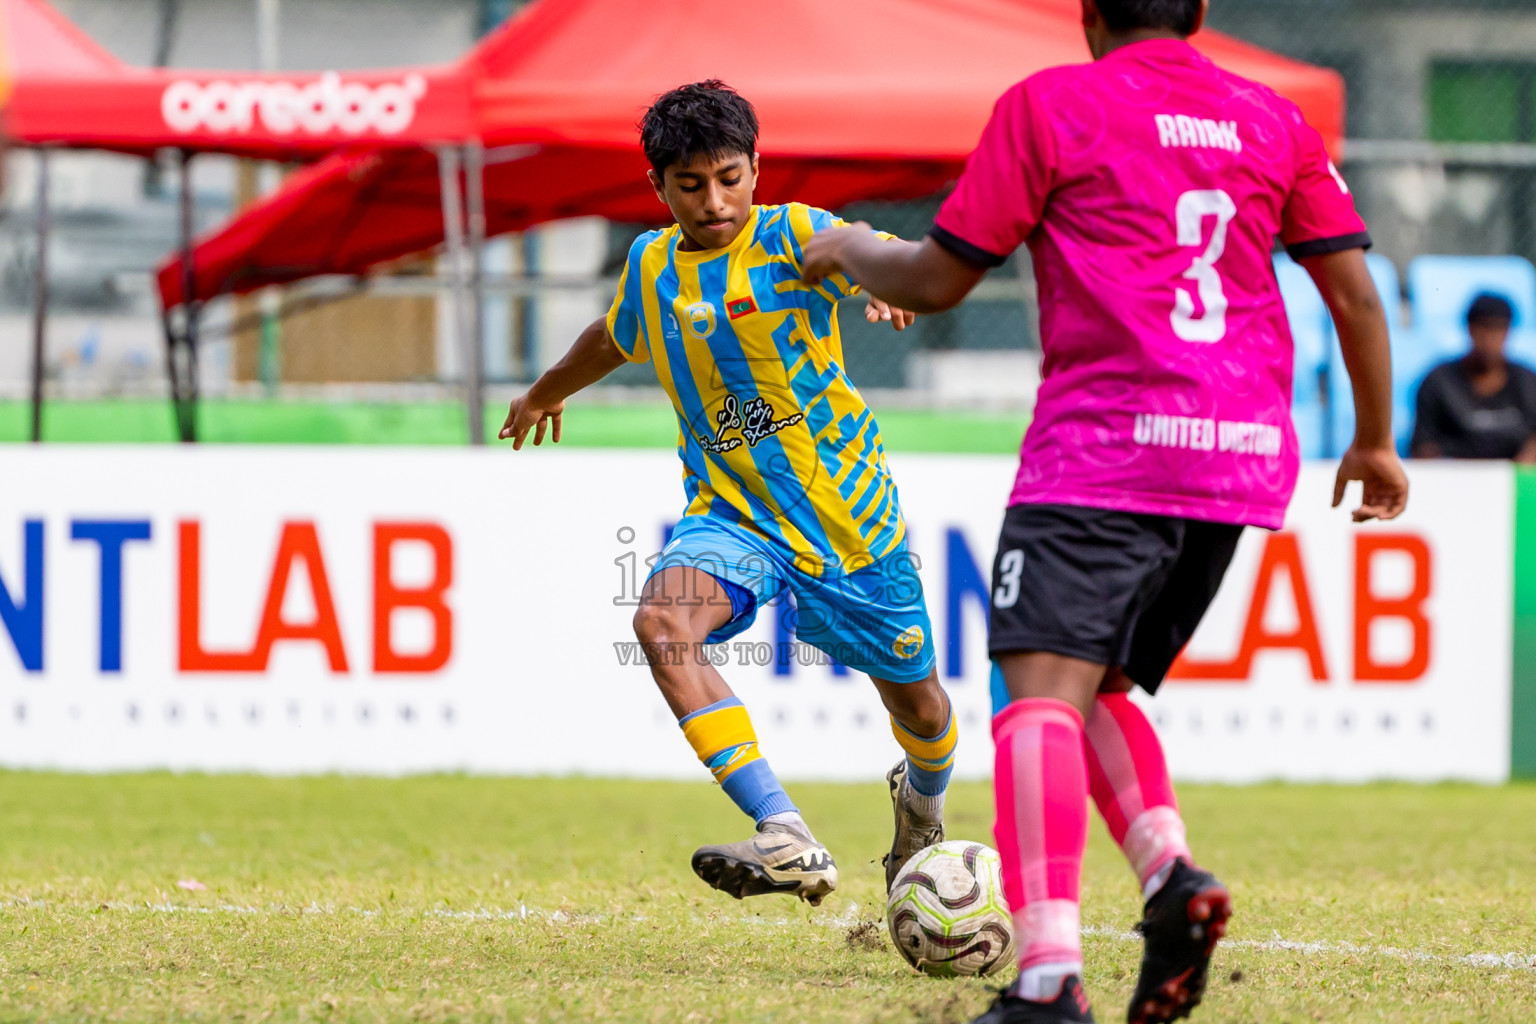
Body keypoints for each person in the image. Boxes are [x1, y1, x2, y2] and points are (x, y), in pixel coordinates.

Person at [800, 1, 1409, 1021]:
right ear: (1202, 11)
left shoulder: (1050, 105)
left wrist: (850, 245)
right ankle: (1170, 874)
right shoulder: (1272, 119)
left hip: (1105, 450)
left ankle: (1048, 976)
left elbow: (940, 277)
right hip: (1238, 456)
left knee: (1035, 689)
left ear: (1086, 13)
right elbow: (1353, 290)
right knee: (1096, 686)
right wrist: (1377, 439)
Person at [499, 81, 957, 907]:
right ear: (657, 186)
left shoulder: (793, 235)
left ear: (756, 168)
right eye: (690, 185)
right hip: (731, 517)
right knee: (661, 621)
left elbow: (860, 247)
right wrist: (545, 389)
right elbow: (613, 335)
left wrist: (884, 282)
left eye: (731, 177)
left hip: (845, 522)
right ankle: (786, 835)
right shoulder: (650, 264)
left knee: (922, 708)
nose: (715, 201)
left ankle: (921, 811)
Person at [1410, 292, 1536, 462]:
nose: (1491, 338)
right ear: (1469, 328)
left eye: (1499, 328)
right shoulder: (1439, 382)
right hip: (1455, 481)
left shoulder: (1527, 382)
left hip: (1517, 483)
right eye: (1484, 327)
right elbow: (1422, 448)